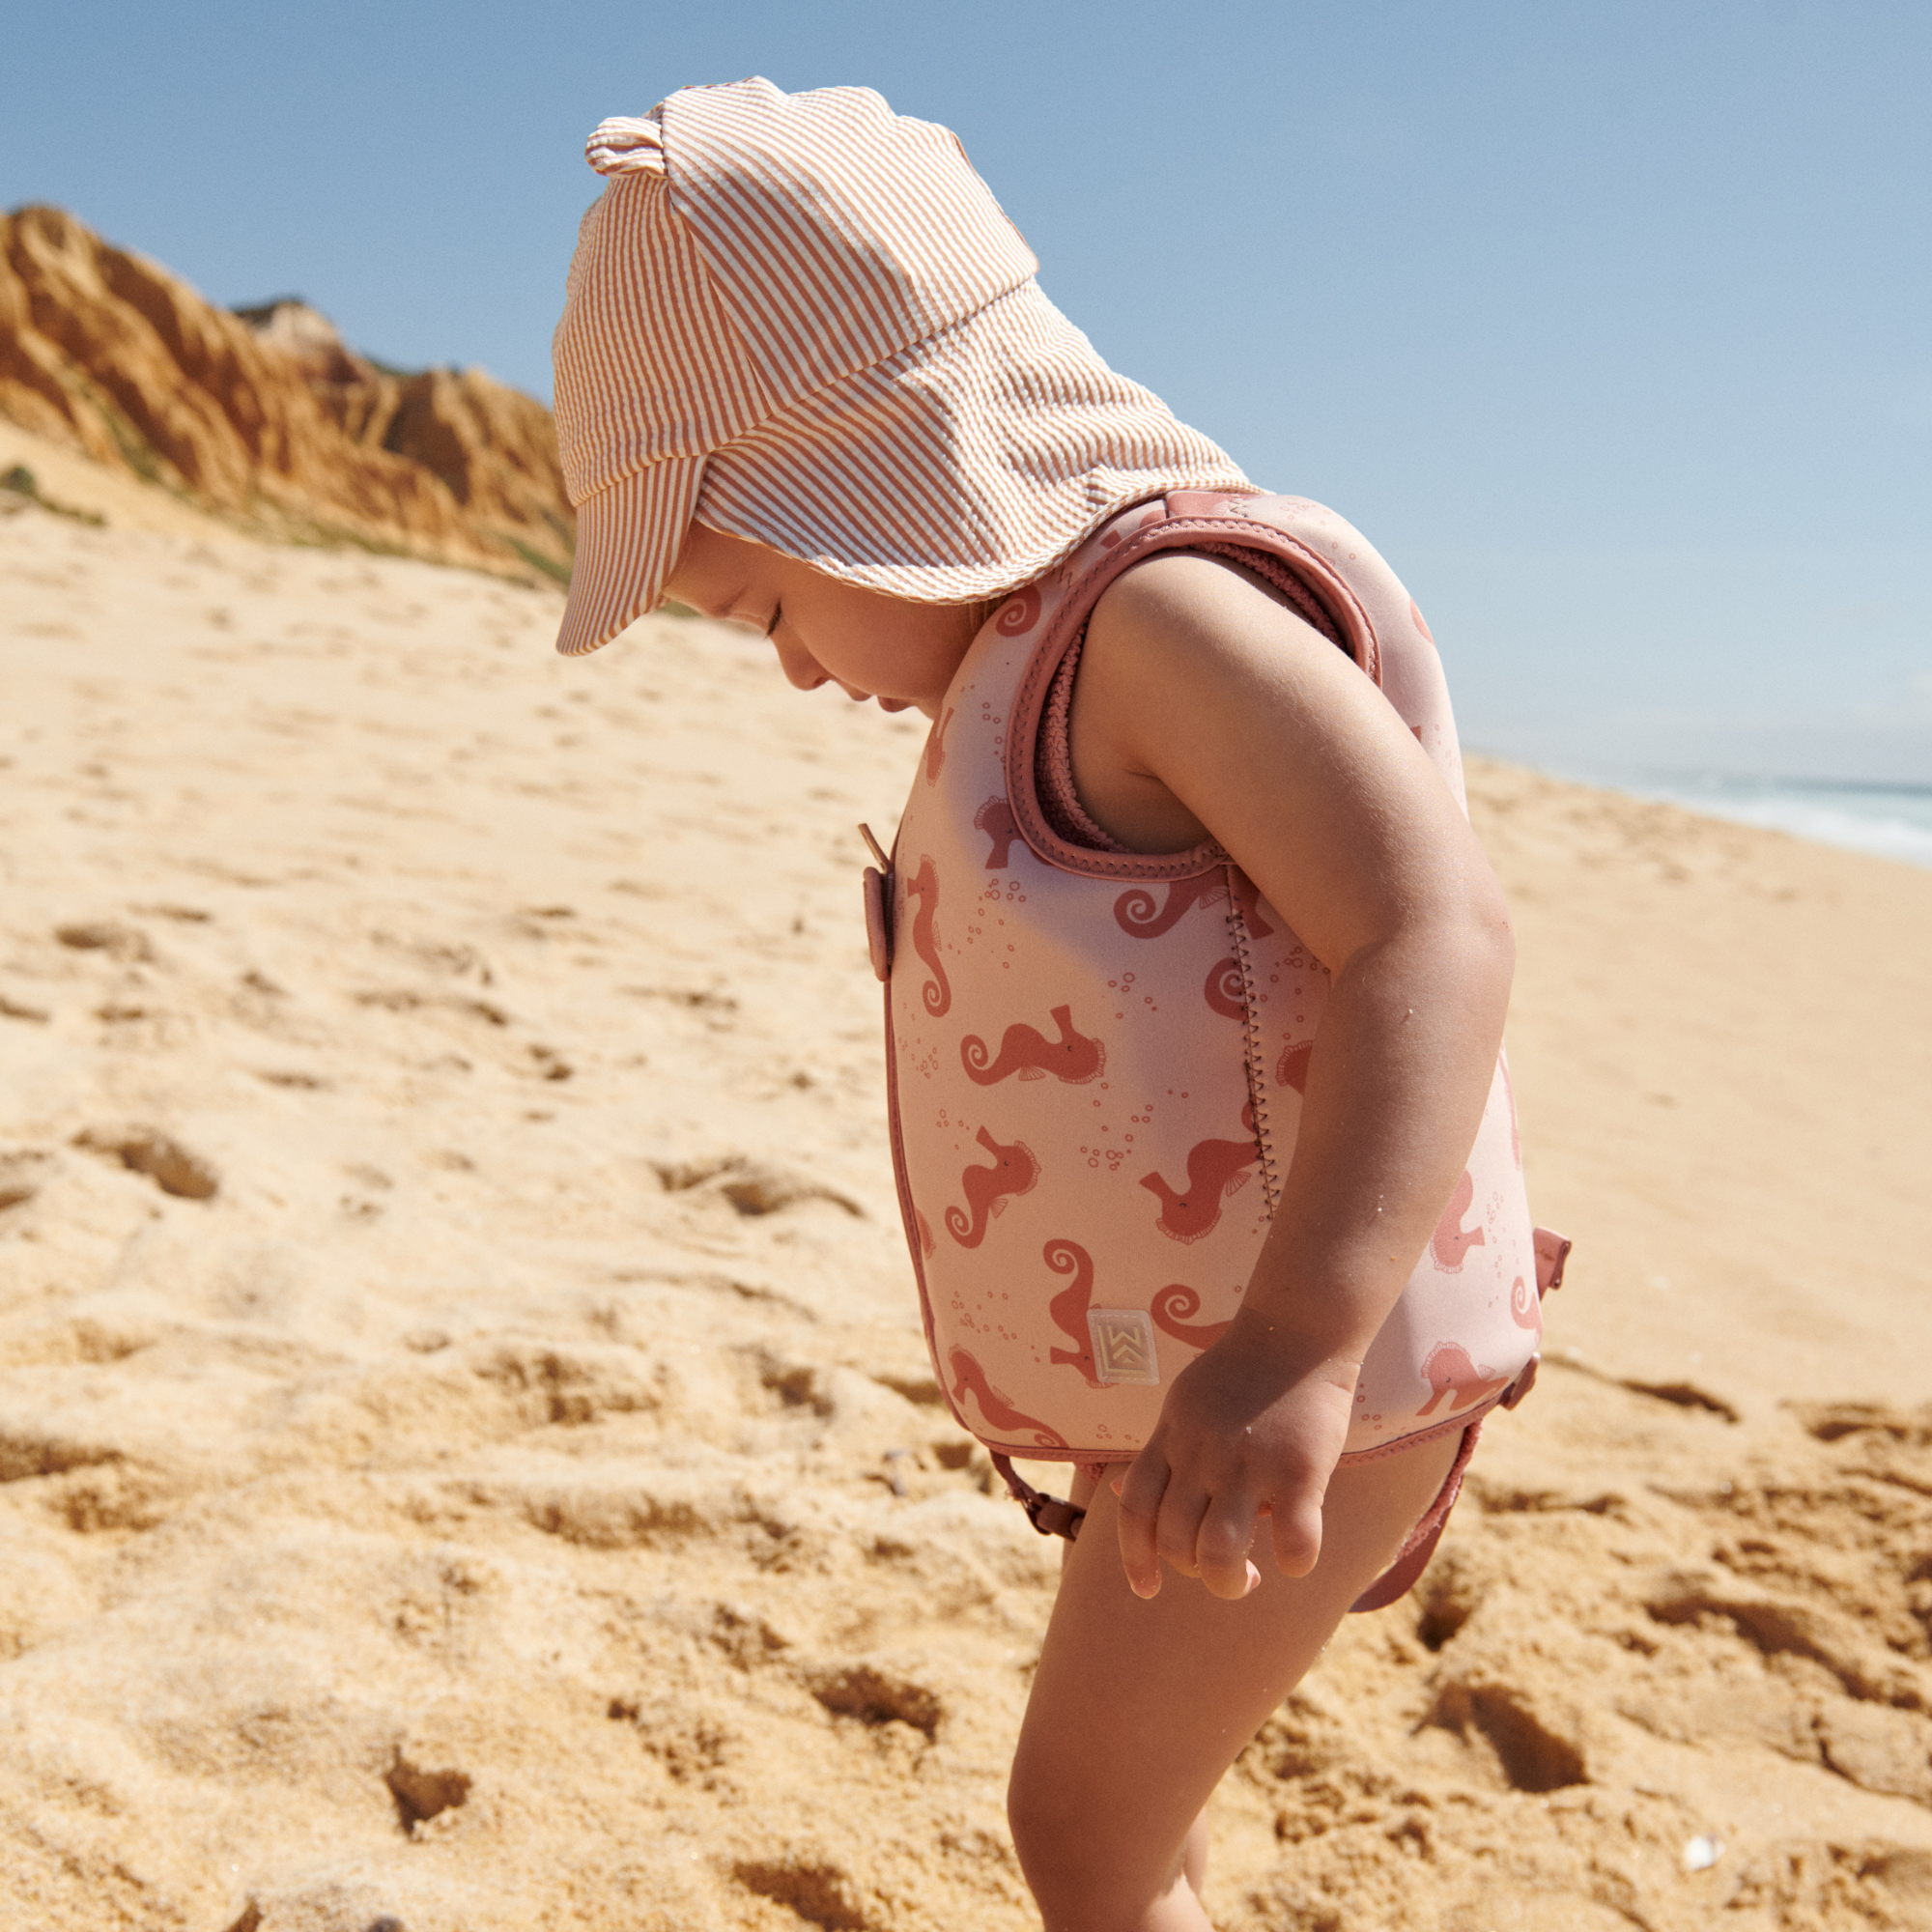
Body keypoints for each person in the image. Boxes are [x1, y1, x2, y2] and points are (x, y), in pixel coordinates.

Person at [552, 78, 1555, 1932]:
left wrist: (1293, 1350)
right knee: (1142, 1810)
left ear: (886, 477)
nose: (787, 671)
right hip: (1204, 1367)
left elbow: (1435, 929)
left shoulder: (1160, 629)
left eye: (765, 600)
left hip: (1310, 1358)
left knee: (1077, 1835)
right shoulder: (1035, 672)